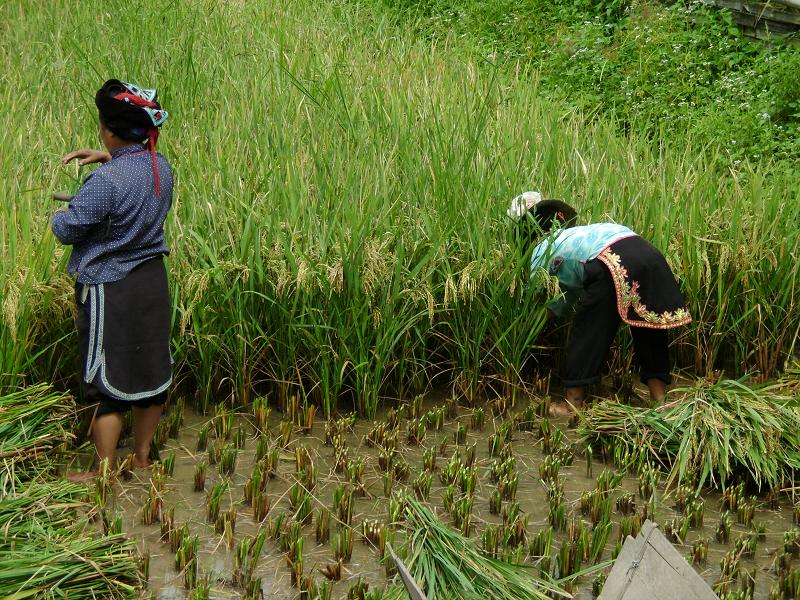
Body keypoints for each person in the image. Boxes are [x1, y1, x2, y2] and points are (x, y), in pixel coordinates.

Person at [52, 79, 173, 480]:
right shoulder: (161, 167)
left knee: (105, 380)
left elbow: (68, 229)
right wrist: (112, 157)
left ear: (107, 129)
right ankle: (141, 457)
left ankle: (102, 471)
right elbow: (131, 176)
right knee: (150, 371)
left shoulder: (104, 184)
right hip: (151, 283)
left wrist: (60, 216)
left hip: (110, 288)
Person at [508, 192, 691, 416]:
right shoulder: (583, 233)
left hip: (611, 261)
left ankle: (572, 404)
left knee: (589, 329)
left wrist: (525, 331)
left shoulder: (543, 249)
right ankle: (660, 400)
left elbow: (536, 300)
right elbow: (568, 293)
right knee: (647, 329)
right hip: (649, 255)